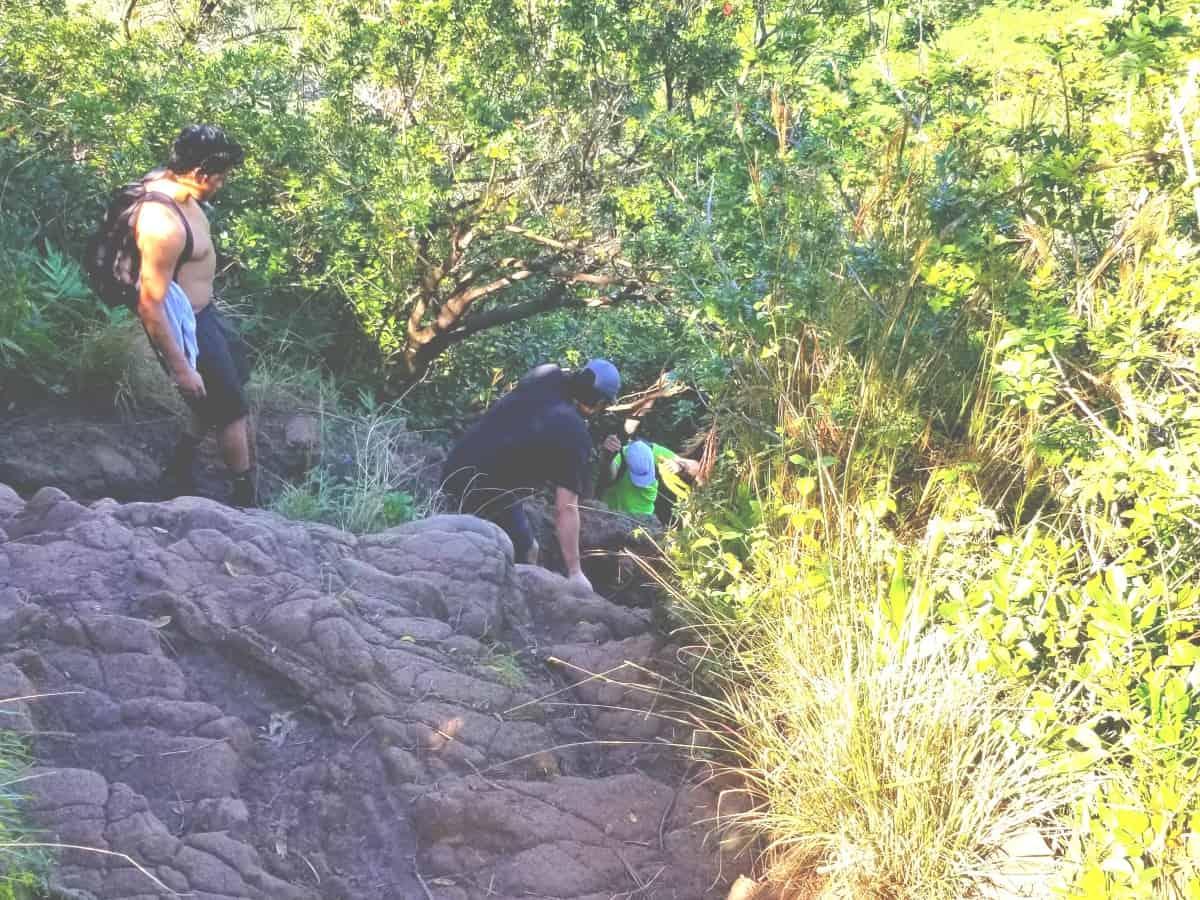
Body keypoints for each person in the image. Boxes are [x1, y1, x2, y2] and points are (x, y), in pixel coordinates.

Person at [133, 125, 255, 506]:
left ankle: (179, 467)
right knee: (232, 411)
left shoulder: (179, 189)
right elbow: (149, 303)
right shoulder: (163, 224)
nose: (224, 183)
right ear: (200, 174)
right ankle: (245, 499)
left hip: (206, 315)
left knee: (220, 391)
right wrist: (183, 368)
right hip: (188, 328)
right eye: (221, 176)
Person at [441, 359, 621, 593]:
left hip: (456, 465)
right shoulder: (575, 434)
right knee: (527, 551)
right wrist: (575, 572)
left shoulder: (545, 374)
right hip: (487, 491)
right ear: (597, 401)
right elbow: (565, 508)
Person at [599, 436, 700, 519]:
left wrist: (680, 466)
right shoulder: (620, 456)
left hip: (644, 518)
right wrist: (608, 458)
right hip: (613, 516)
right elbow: (609, 476)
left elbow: (696, 467)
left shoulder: (655, 452)